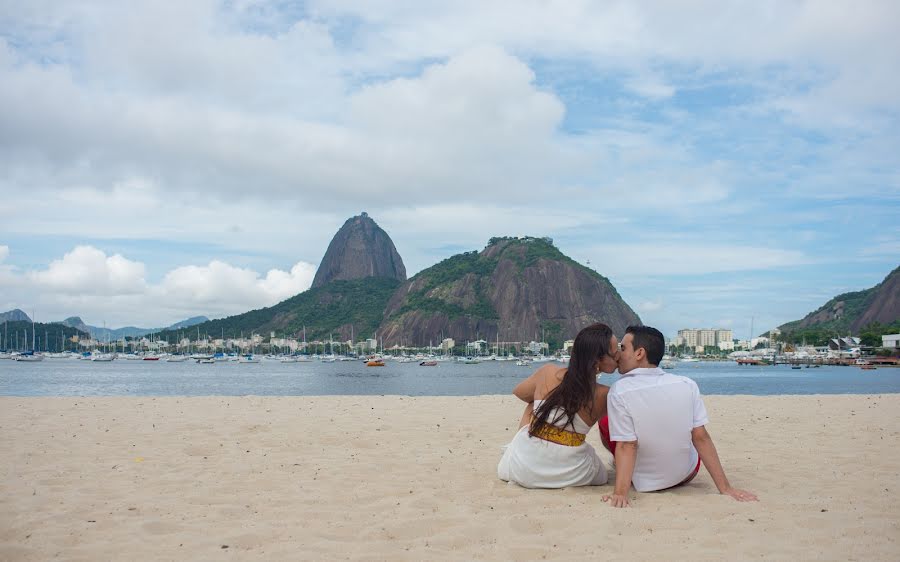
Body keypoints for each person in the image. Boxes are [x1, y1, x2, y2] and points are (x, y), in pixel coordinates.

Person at [600, 325, 758, 507]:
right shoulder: (686, 384)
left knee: (606, 423)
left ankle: (626, 470)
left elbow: (628, 445)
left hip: (645, 482)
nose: (618, 354)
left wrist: (620, 493)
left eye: (623, 348)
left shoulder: (619, 391)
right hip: (686, 475)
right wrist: (726, 488)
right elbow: (701, 437)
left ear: (639, 353)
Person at [498, 323, 619, 488]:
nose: (619, 355)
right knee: (600, 472)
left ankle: (537, 445)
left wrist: (547, 396)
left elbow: (519, 392)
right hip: (573, 473)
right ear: (598, 360)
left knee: (535, 402)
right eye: (615, 352)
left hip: (523, 470)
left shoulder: (548, 371)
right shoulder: (605, 394)